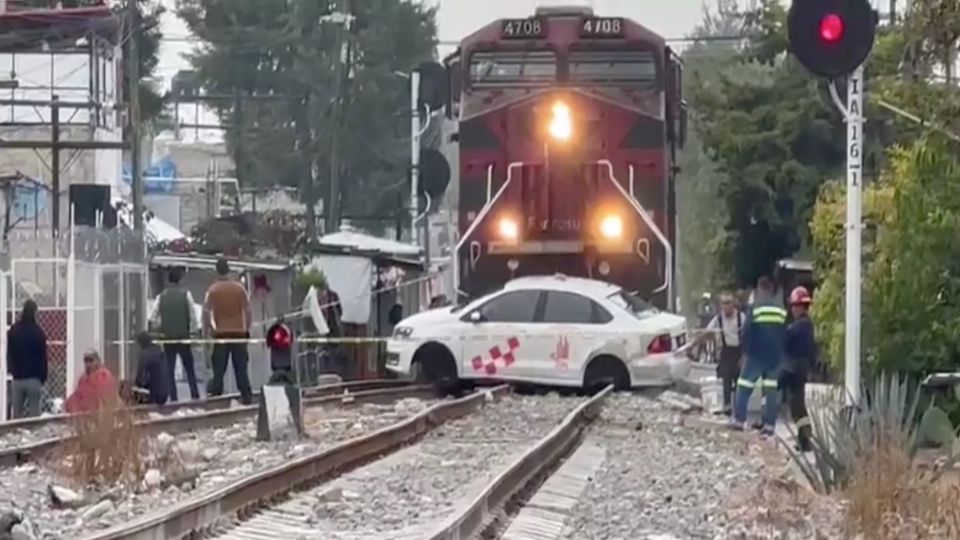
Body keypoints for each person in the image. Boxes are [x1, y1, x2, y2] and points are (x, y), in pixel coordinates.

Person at [731, 276, 787, 436]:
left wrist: (745, 353)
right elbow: (785, 334)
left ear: (760, 290)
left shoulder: (755, 308)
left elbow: (746, 332)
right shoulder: (782, 311)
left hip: (756, 354)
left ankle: (739, 420)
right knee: (771, 390)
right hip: (775, 356)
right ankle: (769, 425)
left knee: (744, 386)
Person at [203, 257, 253, 404]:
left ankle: (217, 398)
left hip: (221, 334)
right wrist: (247, 330)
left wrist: (207, 333)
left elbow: (206, 312)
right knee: (241, 369)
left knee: (218, 370)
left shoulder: (213, 290)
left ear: (217, 271)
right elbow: (248, 310)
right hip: (238, 334)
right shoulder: (239, 288)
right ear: (229, 270)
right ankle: (246, 396)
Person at [149, 267, 201, 402]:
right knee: (189, 367)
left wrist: (160, 328)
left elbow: (153, 318)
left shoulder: (161, 297)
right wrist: (194, 331)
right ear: (180, 279)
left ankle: (173, 397)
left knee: (169, 369)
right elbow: (193, 316)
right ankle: (195, 394)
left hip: (168, 338)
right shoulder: (186, 295)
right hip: (183, 336)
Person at [782, 286, 816, 451]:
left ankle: (805, 440)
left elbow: (786, 342)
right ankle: (804, 439)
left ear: (799, 306)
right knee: (798, 405)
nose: (793, 309)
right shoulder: (807, 325)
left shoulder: (799, 327)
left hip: (795, 368)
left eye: (794, 306)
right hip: (800, 367)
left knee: (797, 406)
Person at [704, 294, 745, 416]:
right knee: (725, 380)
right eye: (724, 303)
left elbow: (749, 336)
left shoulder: (741, 317)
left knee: (740, 383)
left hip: (738, 353)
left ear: (733, 304)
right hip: (726, 354)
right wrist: (693, 345)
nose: (726, 307)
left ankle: (739, 410)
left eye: (728, 303)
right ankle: (727, 407)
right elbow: (707, 332)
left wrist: (745, 356)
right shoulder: (718, 319)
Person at [7, 299, 48, 418]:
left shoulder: (13, 330)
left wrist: (12, 369)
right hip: (34, 378)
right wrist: (43, 376)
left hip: (17, 378)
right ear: (34, 313)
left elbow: (10, 353)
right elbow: (42, 356)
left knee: (17, 415)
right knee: (34, 414)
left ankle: (16, 435)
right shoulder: (38, 332)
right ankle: (34, 435)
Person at [134, 332, 170, 406]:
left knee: (127, 390)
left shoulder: (144, 354)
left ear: (141, 344)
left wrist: (134, 385)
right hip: (164, 393)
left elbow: (139, 378)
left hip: (154, 395)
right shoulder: (159, 351)